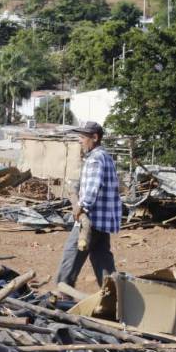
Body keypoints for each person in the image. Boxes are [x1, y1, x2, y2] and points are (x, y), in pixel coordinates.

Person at [56, 121, 122, 293]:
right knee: (103, 262)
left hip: (90, 221)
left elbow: (92, 188)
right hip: (102, 221)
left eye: (82, 137)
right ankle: (114, 297)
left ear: (95, 137)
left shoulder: (95, 158)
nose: (80, 140)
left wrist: (81, 206)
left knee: (71, 256)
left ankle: (62, 295)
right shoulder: (105, 156)